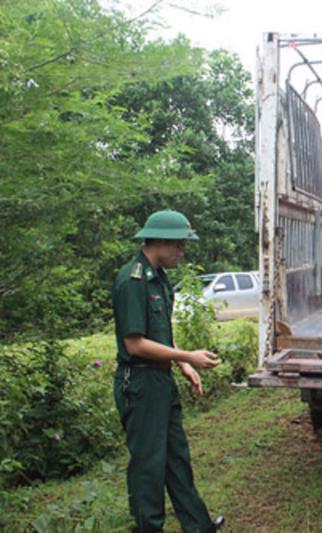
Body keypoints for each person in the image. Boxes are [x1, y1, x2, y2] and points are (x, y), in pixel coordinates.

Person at [112, 209, 224, 532]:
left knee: (177, 457)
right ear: (159, 241)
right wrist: (187, 354)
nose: (181, 251)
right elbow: (135, 344)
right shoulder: (132, 281)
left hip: (161, 380)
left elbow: (160, 332)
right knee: (149, 465)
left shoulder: (159, 279)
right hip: (140, 382)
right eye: (178, 244)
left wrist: (183, 364)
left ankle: (198, 526)